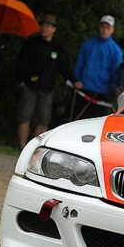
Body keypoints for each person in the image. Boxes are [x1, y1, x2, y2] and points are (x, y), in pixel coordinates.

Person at [16, 14, 78, 149]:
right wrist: (22, 81)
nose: (45, 28)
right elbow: (21, 63)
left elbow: (65, 68)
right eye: (43, 25)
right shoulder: (31, 44)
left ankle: (32, 149)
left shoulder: (58, 49)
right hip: (29, 86)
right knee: (24, 117)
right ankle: (21, 147)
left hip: (47, 89)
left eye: (48, 26)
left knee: (44, 120)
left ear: (53, 29)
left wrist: (74, 81)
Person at [72, 15, 123, 119]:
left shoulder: (116, 50)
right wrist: (76, 80)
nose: (104, 30)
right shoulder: (87, 44)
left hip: (102, 93)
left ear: (112, 30)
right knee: (77, 121)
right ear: (99, 27)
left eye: (108, 27)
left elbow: (115, 74)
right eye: (102, 26)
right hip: (83, 88)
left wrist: (110, 90)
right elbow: (79, 64)